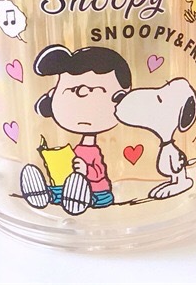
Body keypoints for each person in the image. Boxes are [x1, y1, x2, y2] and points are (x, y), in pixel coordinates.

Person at [19, 44, 131, 216]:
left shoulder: (93, 150)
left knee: (90, 194)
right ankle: (45, 194)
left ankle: (77, 199)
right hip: (72, 184)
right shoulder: (79, 148)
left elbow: (99, 172)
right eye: (73, 91)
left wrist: (86, 171)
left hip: (99, 192)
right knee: (59, 189)